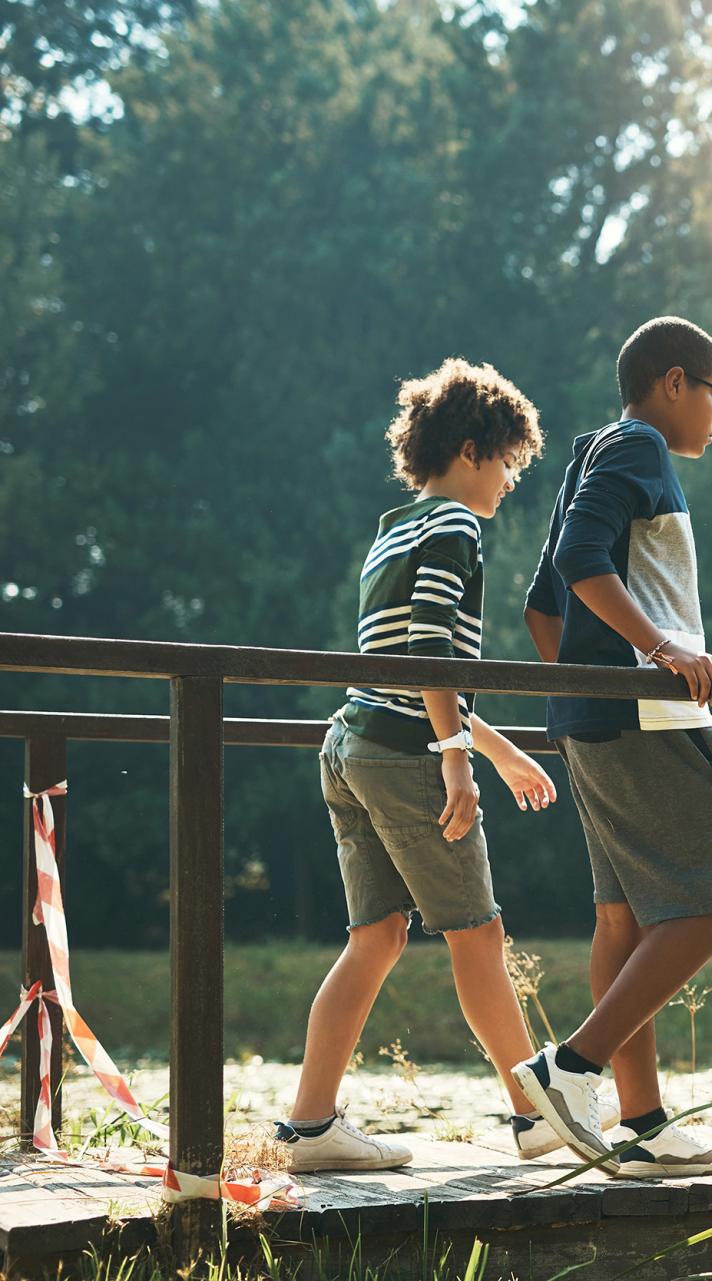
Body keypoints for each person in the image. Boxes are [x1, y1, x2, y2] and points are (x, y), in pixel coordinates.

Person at [277, 358, 561, 1173]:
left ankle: (312, 1126)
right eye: (507, 462)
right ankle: (535, 1116)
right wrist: (457, 761)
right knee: (479, 933)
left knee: (376, 936)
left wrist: (494, 749)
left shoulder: (393, 528)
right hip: (406, 757)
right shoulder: (456, 528)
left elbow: (407, 669)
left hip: (353, 743)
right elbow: (434, 648)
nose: (509, 482)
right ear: (472, 450)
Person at [517, 316, 712, 1179]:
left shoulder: (594, 450)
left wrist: (582, 689)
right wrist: (662, 652)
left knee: (623, 915)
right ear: (673, 382)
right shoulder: (639, 449)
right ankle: (572, 1066)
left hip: (595, 717)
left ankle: (646, 1120)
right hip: (648, 715)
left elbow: (541, 604)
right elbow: (583, 561)